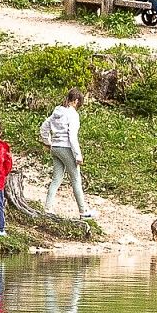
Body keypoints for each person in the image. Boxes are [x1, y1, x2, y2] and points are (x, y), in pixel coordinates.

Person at [40, 88, 93, 221]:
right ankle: (83, 211)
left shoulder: (56, 111)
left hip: (55, 148)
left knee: (56, 179)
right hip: (66, 148)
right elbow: (72, 136)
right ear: (75, 101)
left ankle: (48, 208)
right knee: (76, 179)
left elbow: (44, 127)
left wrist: (48, 142)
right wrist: (78, 155)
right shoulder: (72, 114)